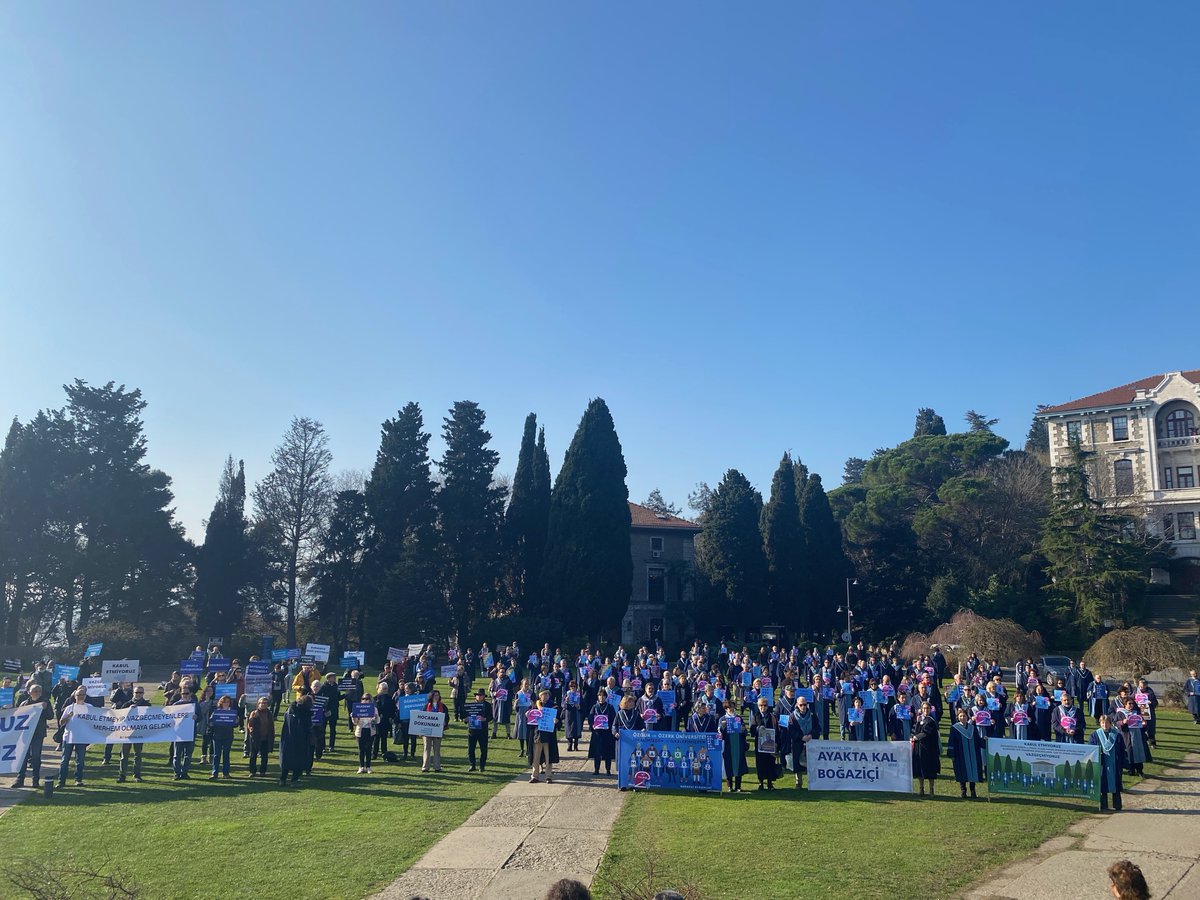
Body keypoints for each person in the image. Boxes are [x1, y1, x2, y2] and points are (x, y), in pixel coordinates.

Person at [11, 684, 52, 789]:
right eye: (35, 691)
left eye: (39, 691)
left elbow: (50, 716)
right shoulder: (25, 703)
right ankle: (20, 779)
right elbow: (17, 717)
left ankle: (35, 780)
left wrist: (45, 708)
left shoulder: (45, 702)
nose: (37, 693)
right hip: (25, 734)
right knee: (23, 757)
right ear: (29, 692)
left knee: (36, 757)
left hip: (38, 733)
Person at [1091, 714, 1126, 812]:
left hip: (1115, 763)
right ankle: (1104, 805)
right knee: (1103, 784)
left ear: (1110, 723)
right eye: (1103, 723)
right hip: (1102, 763)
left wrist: (1124, 762)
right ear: (1100, 723)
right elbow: (1092, 748)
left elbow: (1122, 749)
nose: (1105, 725)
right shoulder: (1095, 735)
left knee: (1116, 783)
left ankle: (1117, 805)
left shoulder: (1117, 735)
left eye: (1107, 723)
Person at [57, 686, 91, 787]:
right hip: (69, 737)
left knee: (80, 761)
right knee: (64, 761)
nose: (81, 697)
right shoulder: (69, 708)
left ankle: (78, 780)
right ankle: (61, 781)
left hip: (81, 738)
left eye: (83, 695)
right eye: (79, 695)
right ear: (75, 696)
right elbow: (61, 723)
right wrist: (68, 716)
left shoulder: (89, 707)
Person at [117, 685, 151, 783]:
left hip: (140, 733)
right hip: (127, 733)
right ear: (133, 693)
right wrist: (129, 710)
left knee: (138, 754)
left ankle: (137, 775)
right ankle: (122, 775)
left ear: (143, 694)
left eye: (141, 693)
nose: (139, 694)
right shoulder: (127, 704)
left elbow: (151, 718)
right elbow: (120, 716)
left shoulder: (147, 705)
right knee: (124, 755)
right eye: (137, 693)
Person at [279, 690, 313, 786]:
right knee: (299, 761)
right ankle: (294, 780)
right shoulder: (305, 713)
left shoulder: (289, 710)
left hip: (287, 738)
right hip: (300, 739)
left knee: (286, 760)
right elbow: (307, 726)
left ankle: (282, 779)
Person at [947, 707, 983, 799]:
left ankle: (973, 790)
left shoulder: (972, 728)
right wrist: (952, 754)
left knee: (973, 771)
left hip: (972, 754)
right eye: (961, 716)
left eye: (964, 716)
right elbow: (951, 742)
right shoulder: (954, 728)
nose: (963, 717)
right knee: (962, 772)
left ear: (967, 717)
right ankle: (963, 791)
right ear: (958, 717)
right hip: (960, 755)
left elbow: (977, 740)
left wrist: (986, 742)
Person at [529, 689, 560, 783]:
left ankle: (548, 776)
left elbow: (559, 719)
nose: (546, 696)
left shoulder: (553, 706)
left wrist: (557, 721)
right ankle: (535, 776)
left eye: (547, 694)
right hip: (538, 734)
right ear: (540, 696)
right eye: (544, 694)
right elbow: (530, 720)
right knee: (536, 757)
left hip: (549, 735)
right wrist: (529, 715)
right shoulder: (534, 706)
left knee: (548, 757)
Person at [911, 701, 940, 796]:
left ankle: (931, 789)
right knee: (920, 769)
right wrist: (912, 737)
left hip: (930, 749)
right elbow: (914, 730)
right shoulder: (919, 719)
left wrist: (916, 737)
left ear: (930, 709)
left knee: (930, 770)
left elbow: (926, 732)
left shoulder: (931, 720)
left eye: (927, 708)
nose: (925, 710)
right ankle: (921, 788)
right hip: (919, 748)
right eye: (924, 708)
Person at [172, 683, 200, 780]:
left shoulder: (195, 704)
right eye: (183, 694)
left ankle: (185, 772)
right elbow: (170, 719)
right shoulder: (176, 705)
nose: (185, 695)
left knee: (188, 754)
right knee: (177, 755)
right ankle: (176, 773)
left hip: (190, 732)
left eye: (187, 693)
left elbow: (200, 717)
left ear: (190, 694)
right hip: (178, 733)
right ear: (181, 694)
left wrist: (196, 717)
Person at [588, 688, 618, 776]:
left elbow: (614, 719)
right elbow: (590, 718)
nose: (601, 698)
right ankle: (596, 769)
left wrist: (609, 726)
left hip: (607, 733)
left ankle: (608, 770)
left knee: (607, 752)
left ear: (606, 697)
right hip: (597, 733)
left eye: (603, 696)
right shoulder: (594, 707)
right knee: (597, 752)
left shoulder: (610, 707)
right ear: (597, 697)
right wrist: (592, 725)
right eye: (600, 696)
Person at [719, 704, 748, 793]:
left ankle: (738, 786)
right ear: (725, 709)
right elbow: (719, 733)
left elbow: (745, 732)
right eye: (728, 708)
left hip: (738, 744)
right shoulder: (722, 719)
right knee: (729, 765)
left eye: (732, 707)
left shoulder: (738, 718)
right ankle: (730, 786)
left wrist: (743, 729)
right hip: (728, 745)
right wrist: (722, 727)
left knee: (739, 765)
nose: (730, 709)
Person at [750, 696, 777, 791]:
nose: (763, 707)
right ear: (758, 706)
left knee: (770, 762)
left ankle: (770, 783)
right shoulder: (755, 716)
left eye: (765, 705)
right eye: (761, 705)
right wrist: (758, 728)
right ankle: (761, 782)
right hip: (760, 744)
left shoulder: (772, 716)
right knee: (760, 763)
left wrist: (776, 743)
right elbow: (752, 730)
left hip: (770, 744)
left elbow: (776, 729)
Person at [464, 687, 493, 772]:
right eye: (478, 695)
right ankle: (472, 765)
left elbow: (491, 717)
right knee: (471, 749)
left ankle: (482, 766)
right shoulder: (471, 705)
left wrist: (484, 719)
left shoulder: (487, 705)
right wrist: (465, 719)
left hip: (483, 730)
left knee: (483, 749)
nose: (479, 697)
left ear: (484, 696)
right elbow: (464, 717)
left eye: (481, 695)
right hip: (472, 730)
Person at [208, 695, 236, 779]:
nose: (226, 704)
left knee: (226, 754)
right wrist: (212, 723)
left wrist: (236, 721)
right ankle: (214, 773)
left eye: (227, 702)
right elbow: (210, 723)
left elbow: (235, 724)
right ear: (221, 703)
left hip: (228, 736)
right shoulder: (216, 712)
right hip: (217, 736)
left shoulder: (232, 712)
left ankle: (226, 773)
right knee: (216, 755)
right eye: (224, 702)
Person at [421, 689, 450, 773]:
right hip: (427, 731)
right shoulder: (426, 706)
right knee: (427, 748)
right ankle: (425, 767)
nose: (437, 697)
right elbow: (422, 717)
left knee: (437, 749)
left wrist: (444, 722)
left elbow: (447, 717)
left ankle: (437, 766)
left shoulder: (442, 706)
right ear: (431, 696)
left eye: (438, 695)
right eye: (435, 695)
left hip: (438, 731)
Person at [353, 691, 380, 774]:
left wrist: (375, 717)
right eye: (363, 699)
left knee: (368, 749)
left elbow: (377, 721)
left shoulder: (374, 709)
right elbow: (355, 722)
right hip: (360, 731)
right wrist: (354, 717)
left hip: (370, 730)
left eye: (367, 699)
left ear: (370, 700)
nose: (365, 700)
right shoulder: (358, 708)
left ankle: (368, 766)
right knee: (361, 749)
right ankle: (361, 766)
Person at [247, 696, 275, 777]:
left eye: (265, 703)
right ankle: (252, 771)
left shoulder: (269, 714)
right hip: (256, 737)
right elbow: (250, 725)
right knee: (253, 755)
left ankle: (263, 771)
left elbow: (271, 726)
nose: (263, 704)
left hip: (266, 737)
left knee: (264, 756)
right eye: (261, 703)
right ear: (258, 704)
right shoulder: (254, 713)